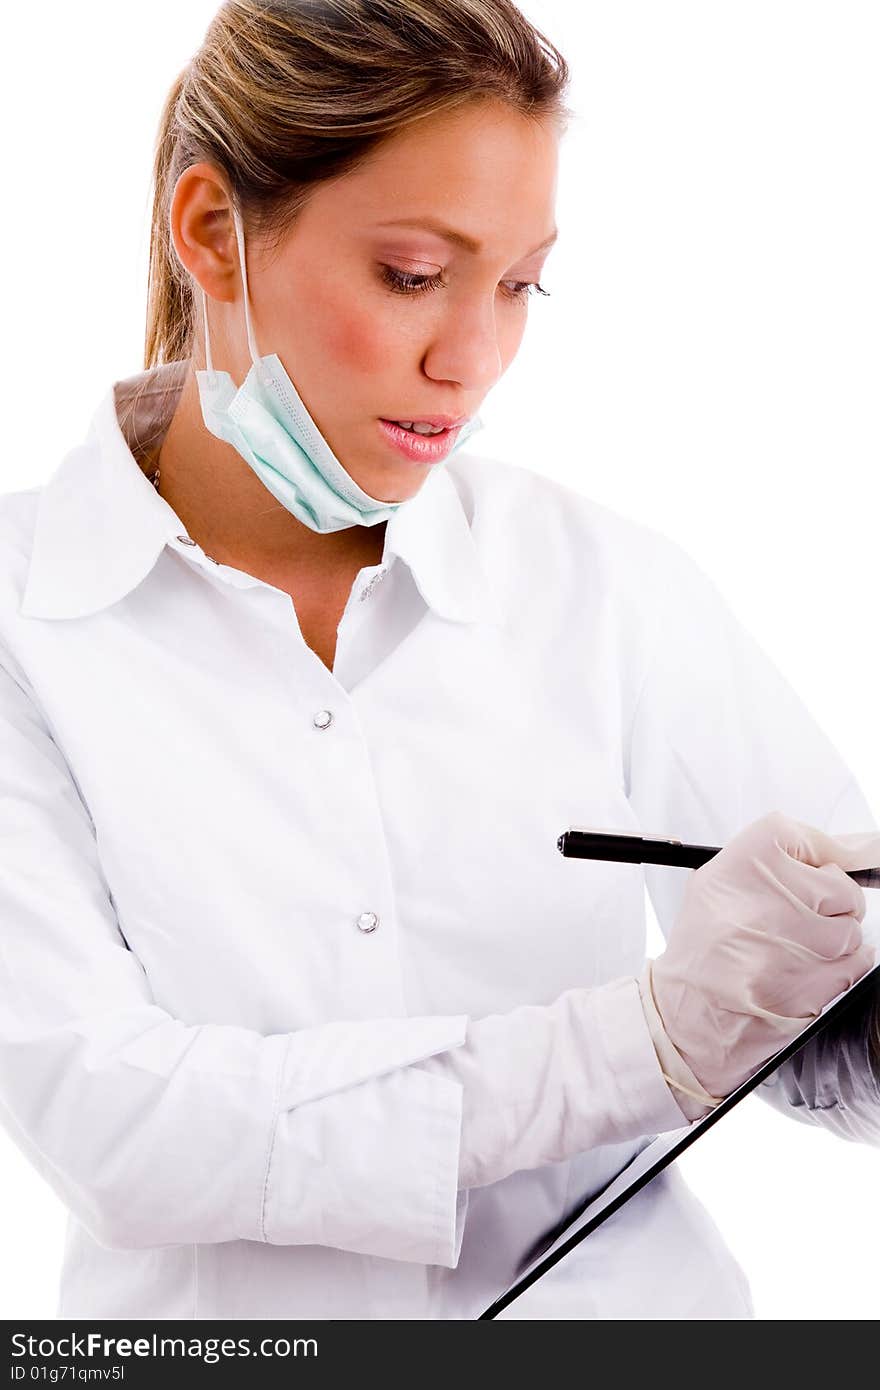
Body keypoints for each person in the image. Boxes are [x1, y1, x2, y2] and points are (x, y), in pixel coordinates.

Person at [0, 0, 878, 1322]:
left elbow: (829, 1003)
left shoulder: (602, 580)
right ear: (208, 234)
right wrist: (647, 1042)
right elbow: (126, 1127)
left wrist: (829, 992)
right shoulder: (29, 626)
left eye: (521, 284)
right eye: (414, 274)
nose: (471, 361)